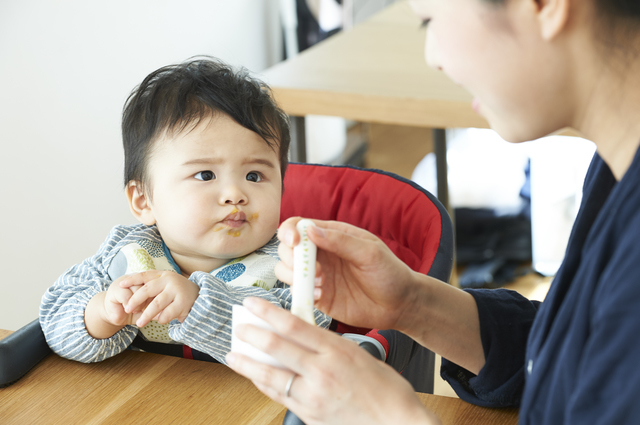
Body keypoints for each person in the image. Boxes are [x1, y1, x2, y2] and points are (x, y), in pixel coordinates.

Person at [226, 0, 640, 423]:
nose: (434, 57)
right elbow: (585, 355)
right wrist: (411, 302)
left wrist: (391, 416)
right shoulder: (616, 165)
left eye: (430, 21)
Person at [39, 57, 331, 364]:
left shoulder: (291, 263)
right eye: (205, 175)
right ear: (144, 201)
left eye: (254, 176)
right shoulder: (126, 255)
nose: (235, 194)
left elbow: (303, 346)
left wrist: (198, 304)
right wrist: (102, 313)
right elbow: (53, 320)